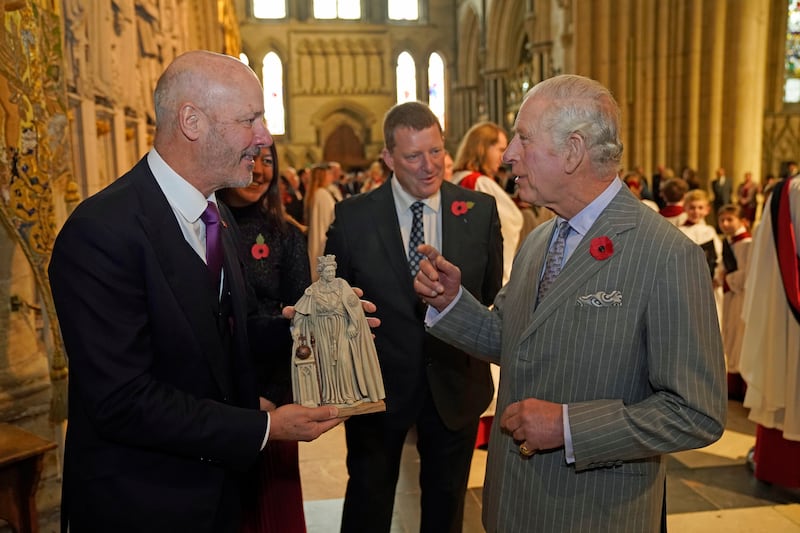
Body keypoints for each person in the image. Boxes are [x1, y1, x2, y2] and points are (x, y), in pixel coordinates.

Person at [414, 74, 726, 532]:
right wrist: (452, 303)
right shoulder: (540, 239)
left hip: (593, 513)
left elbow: (696, 413)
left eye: (523, 138)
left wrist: (568, 427)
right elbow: (512, 339)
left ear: (574, 151)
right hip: (514, 505)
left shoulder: (665, 254)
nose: (508, 155)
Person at [48, 50, 342, 533]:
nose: (265, 138)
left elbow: (221, 334)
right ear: (191, 121)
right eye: (251, 120)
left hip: (217, 496)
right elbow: (124, 401)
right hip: (142, 504)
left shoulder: (215, 216)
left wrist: (311, 325)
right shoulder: (101, 232)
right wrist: (264, 428)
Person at [325, 101, 503, 533]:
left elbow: (490, 294)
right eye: (413, 156)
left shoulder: (479, 211)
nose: (430, 166)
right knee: (369, 499)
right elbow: (336, 300)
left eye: (437, 151)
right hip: (378, 387)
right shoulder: (354, 217)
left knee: (446, 507)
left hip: (455, 383)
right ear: (387, 158)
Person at [218, 144, 311, 533]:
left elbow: (302, 328)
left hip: (271, 397)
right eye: (251, 158)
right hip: (215, 399)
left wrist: (271, 397)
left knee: (272, 514)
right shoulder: (205, 227)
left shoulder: (286, 235)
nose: (259, 171)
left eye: (268, 161)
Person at [739, 173, 800, 489]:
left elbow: (766, 256)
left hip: (786, 313)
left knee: (786, 376)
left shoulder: (787, 191)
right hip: (791, 313)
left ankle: (780, 465)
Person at [290, 254, 385, 409]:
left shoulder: (342, 285)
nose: (331, 274)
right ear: (321, 272)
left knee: (344, 360)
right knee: (326, 363)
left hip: (341, 328)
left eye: (332, 271)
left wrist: (354, 324)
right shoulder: (313, 290)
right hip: (322, 330)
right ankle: (330, 397)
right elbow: (300, 312)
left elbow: (354, 307)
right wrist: (298, 329)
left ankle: (349, 395)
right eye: (327, 272)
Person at [452, 121, 524, 285]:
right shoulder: (478, 183)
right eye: (500, 149)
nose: (504, 157)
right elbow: (505, 224)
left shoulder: (458, 177)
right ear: (483, 148)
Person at [716, 204, 752, 401]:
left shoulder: (748, 244)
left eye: (730, 219)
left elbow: (748, 274)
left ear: (742, 221)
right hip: (731, 296)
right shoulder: (729, 242)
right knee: (730, 334)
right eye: (722, 220)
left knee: (740, 336)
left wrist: (727, 279)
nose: (725, 224)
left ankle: (741, 386)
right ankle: (732, 383)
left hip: (742, 297)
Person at [305, 163, 337, 280]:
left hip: (318, 239)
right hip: (323, 240)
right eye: (328, 174)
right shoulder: (322, 194)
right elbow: (331, 220)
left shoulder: (316, 193)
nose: (331, 177)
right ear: (322, 176)